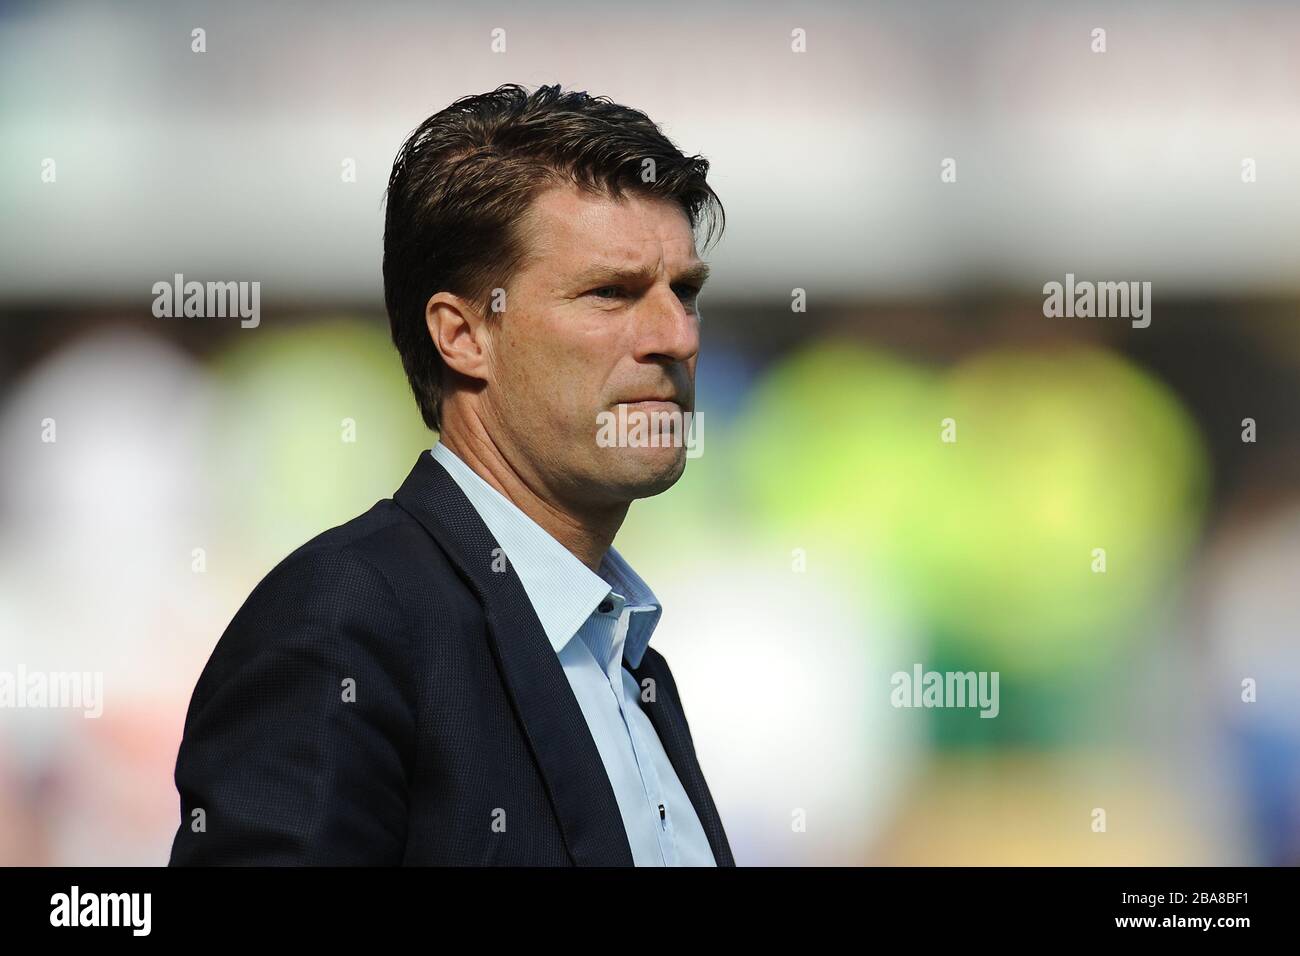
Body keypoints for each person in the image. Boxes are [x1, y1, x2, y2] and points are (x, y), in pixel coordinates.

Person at [168, 83, 732, 865]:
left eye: (687, 292)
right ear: (463, 335)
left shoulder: (625, 657)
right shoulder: (344, 624)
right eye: (612, 292)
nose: (677, 336)